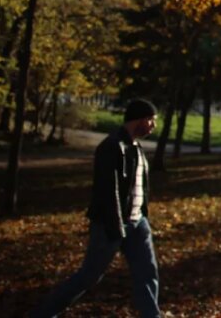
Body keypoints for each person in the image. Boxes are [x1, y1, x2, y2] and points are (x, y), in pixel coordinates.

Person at [30, 99, 162, 318]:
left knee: (147, 273)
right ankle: (42, 314)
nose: (153, 126)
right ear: (138, 119)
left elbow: (139, 187)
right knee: (89, 275)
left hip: (138, 223)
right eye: (151, 120)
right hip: (111, 223)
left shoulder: (137, 148)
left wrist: (142, 216)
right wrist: (116, 226)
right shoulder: (111, 147)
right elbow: (107, 191)